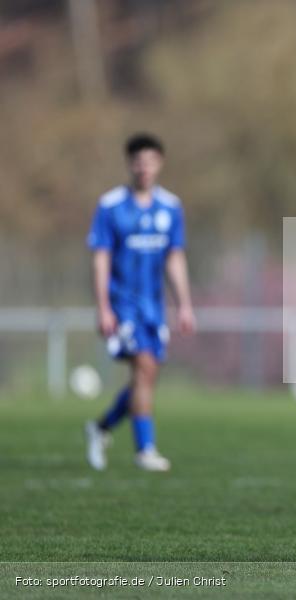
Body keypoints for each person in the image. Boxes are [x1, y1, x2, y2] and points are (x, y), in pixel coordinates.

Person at [83, 133, 195, 472]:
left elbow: (174, 258)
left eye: (150, 161)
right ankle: (145, 449)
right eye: (137, 161)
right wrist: (103, 307)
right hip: (123, 304)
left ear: (159, 163)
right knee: (144, 367)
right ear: (130, 164)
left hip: (153, 307)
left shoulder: (171, 207)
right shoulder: (111, 205)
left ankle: (101, 427)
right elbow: (101, 257)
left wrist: (185, 304)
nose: (143, 167)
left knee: (145, 378)